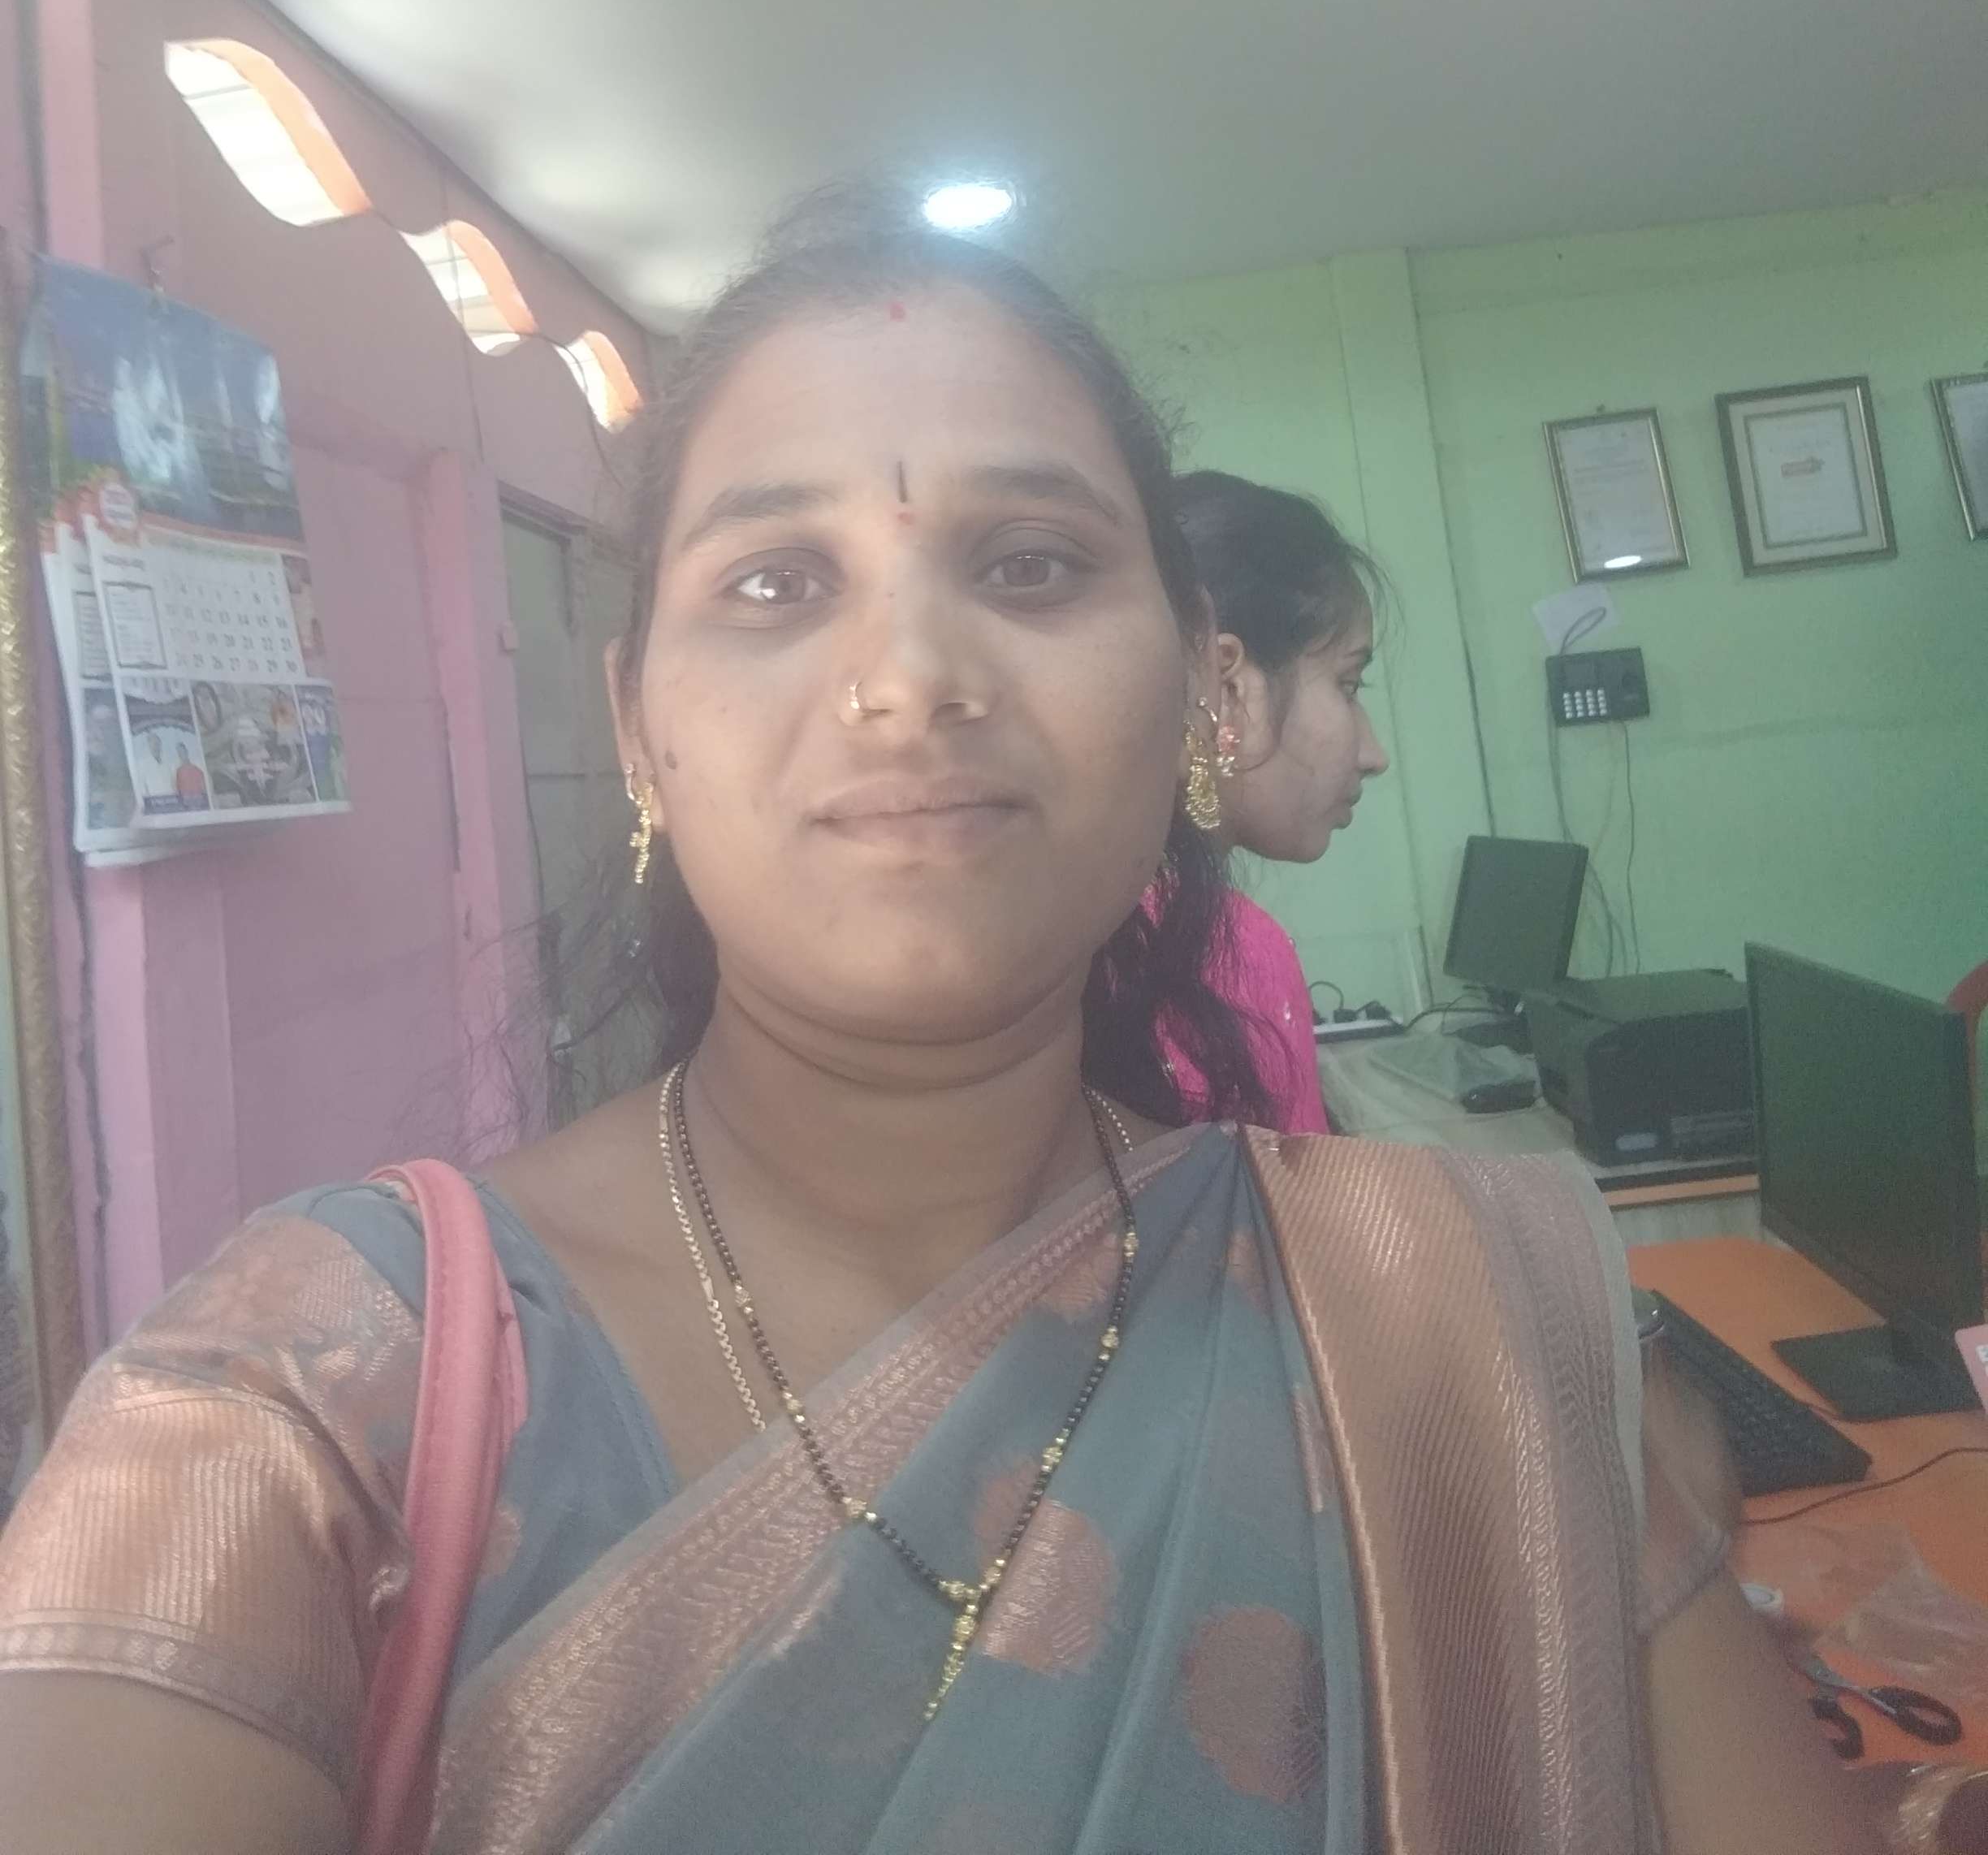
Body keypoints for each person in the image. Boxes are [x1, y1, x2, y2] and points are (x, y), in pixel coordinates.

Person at [0, 191, 1880, 1855]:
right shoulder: (309, 1413)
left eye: (1031, 563)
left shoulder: (1464, 1329)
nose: (907, 679)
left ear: (1196, 693)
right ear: (641, 726)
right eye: (774, 582)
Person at [1165, 472, 1389, 1132]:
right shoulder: (1232, 951)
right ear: (1227, 690)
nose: (1373, 753)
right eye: (1348, 684)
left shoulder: (1061, 936)